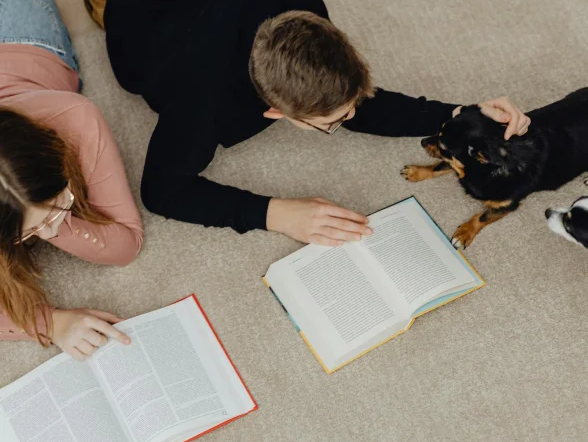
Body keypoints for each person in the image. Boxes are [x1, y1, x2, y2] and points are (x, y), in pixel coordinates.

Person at [87, 0, 530, 246]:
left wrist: (460, 115)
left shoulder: (305, 9)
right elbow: (162, 190)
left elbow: (363, 104)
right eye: (334, 123)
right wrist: (274, 213)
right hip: (142, 22)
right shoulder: (201, 105)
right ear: (276, 114)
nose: (353, 116)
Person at [0, 0, 144, 360]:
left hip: (20, 43)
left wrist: (56, 222)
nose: (49, 236)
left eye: (56, 205)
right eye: (32, 232)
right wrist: (51, 323)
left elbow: (127, 245)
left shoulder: (74, 118)